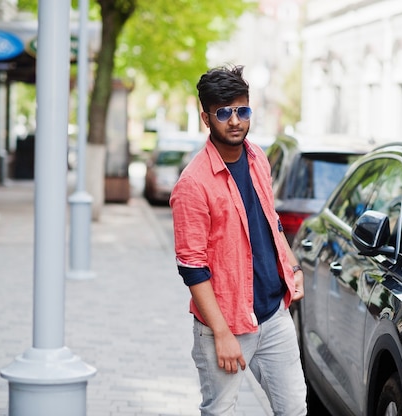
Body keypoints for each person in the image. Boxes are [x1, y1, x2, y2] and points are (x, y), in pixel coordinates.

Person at [169, 65, 308, 416]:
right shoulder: (192, 184)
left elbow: (271, 220)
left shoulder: (258, 157)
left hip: (274, 313)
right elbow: (192, 268)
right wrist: (221, 333)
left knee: (294, 408)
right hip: (225, 321)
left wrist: (292, 266)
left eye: (241, 110)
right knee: (221, 411)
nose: (234, 121)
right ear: (206, 118)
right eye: (224, 112)